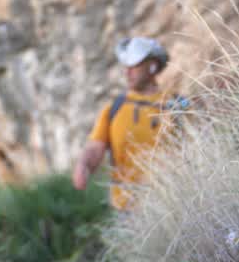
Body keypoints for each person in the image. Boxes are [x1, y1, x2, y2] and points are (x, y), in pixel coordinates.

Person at [73, 36, 184, 209]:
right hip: (126, 208)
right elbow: (96, 147)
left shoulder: (176, 106)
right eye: (126, 67)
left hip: (169, 205)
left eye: (135, 66)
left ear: (152, 66)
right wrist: (83, 165)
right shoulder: (114, 109)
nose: (128, 72)